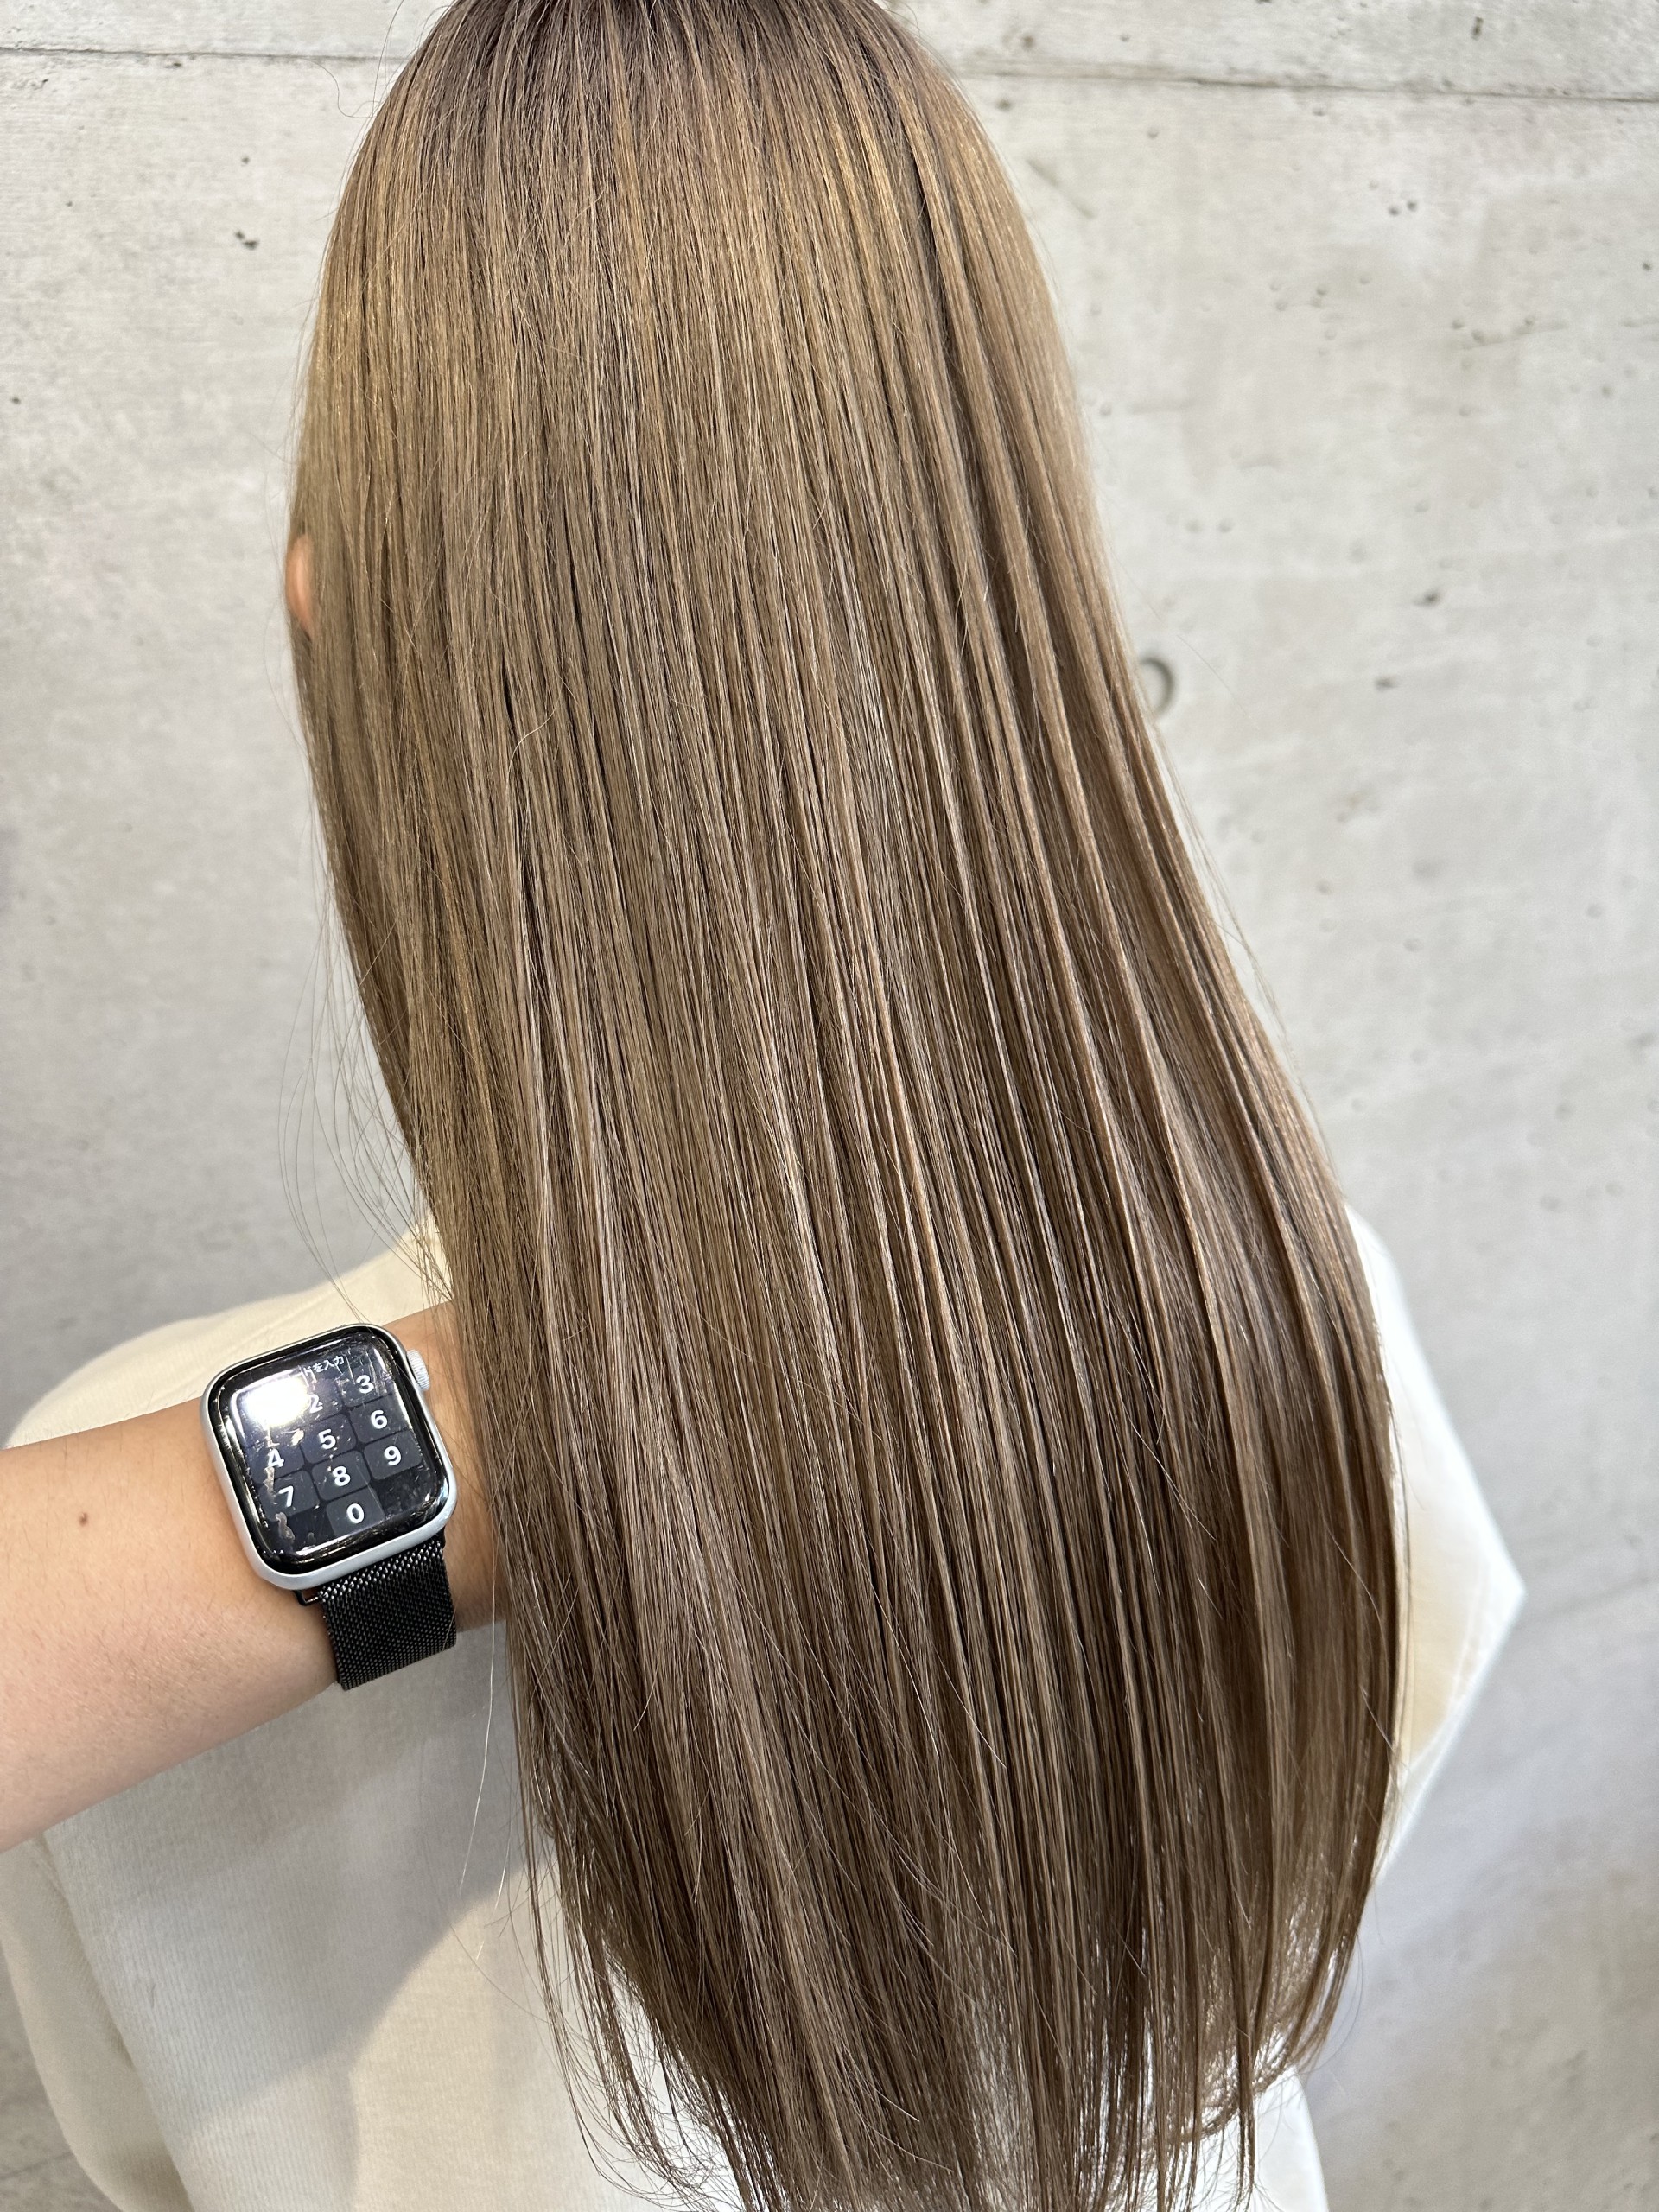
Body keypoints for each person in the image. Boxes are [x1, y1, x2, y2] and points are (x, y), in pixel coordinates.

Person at [0, 3, 1525, 2209]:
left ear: (329, 631)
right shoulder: (1289, 1315)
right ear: (1024, 619)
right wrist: (700, 1382)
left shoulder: (123, 1580)